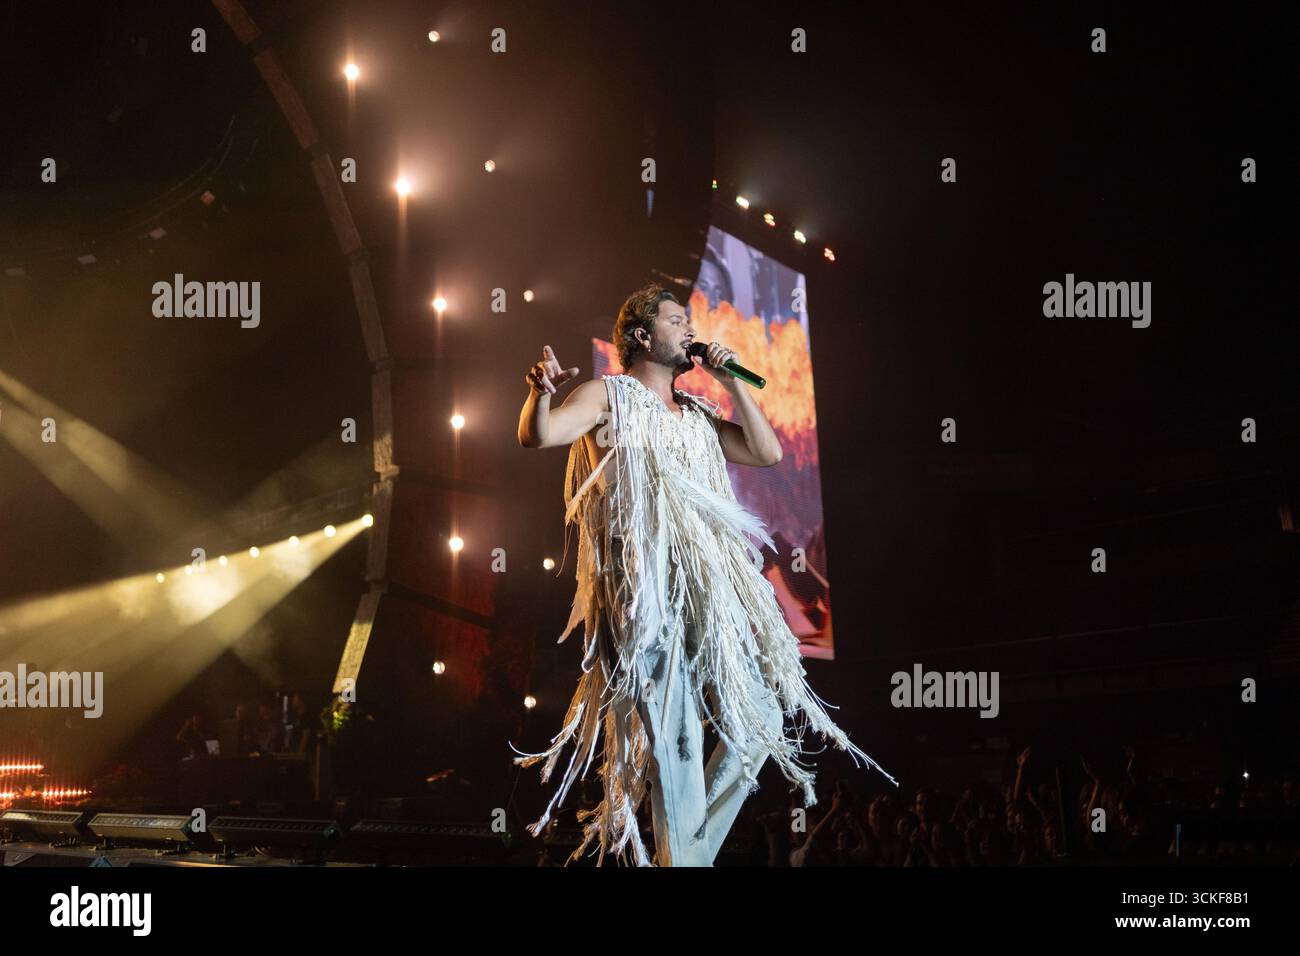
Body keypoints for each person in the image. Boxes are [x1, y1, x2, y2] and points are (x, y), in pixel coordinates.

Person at [510, 283, 894, 866]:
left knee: (766, 698)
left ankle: (686, 859)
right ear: (642, 336)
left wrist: (734, 379)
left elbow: (766, 454)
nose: (689, 331)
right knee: (677, 740)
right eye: (675, 321)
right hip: (641, 588)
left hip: (709, 589)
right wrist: (538, 394)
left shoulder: (696, 413)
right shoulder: (607, 396)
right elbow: (538, 434)